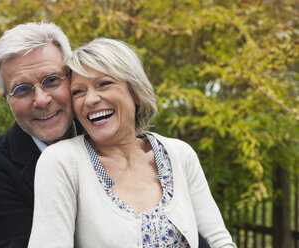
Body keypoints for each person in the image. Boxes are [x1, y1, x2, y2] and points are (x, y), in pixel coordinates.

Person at [28, 38, 237, 248]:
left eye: (104, 84)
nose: (90, 99)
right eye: (78, 92)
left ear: (135, 92)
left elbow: (220, 242)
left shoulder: (179, 154)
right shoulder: (62, 162)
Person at [0, 22, 84, 248]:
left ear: (72, 78)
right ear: (7, 99)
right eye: (22, 89)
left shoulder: (103, 130)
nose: (41, 100)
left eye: (51, 80)